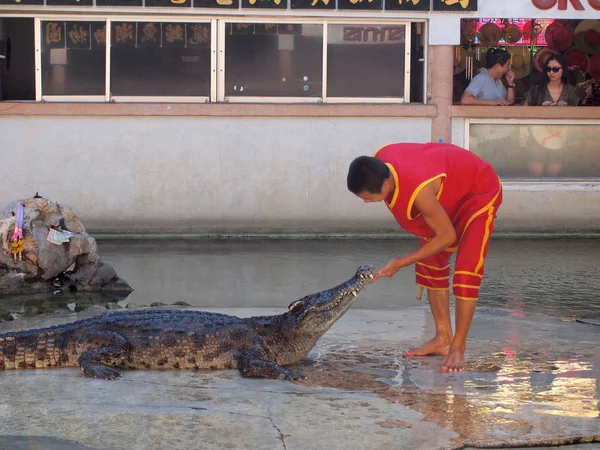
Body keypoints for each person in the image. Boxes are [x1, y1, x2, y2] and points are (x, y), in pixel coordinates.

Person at [347, 142, 502, 372]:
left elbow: (447, 236)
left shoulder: (420, 192)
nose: (366, 202)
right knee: (430, 262)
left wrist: (401, 262)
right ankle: (443, 338)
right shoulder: (379, 160)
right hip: (451, 192)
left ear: (386, 184)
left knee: (466, 272)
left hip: (478, 191)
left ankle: (458, 347)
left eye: (368, 197)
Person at [521, 54, 579, 177]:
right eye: (548, 69)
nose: (551, 72)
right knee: (536, 177)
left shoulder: (570, 91)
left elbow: (577, 115)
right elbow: (523, 112)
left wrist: (567, 109)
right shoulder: (536, 90)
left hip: (560, 138)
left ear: (563, 69)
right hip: (536, 138)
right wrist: (541, 109)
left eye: (555, 69)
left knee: (554, 177)